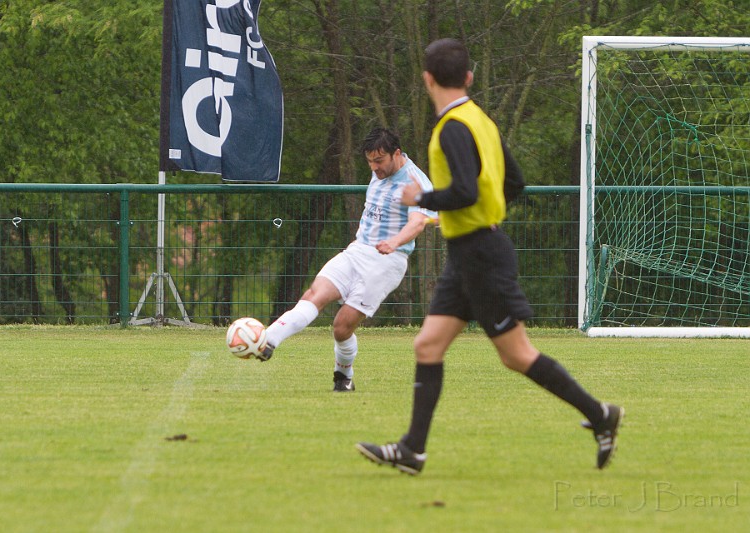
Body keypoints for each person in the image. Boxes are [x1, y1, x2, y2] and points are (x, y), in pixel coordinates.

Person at [356, 38, 623, 474]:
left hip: (480, 254)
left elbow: (463, 190)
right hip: (470, 251)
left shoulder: (453, 128)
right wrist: (487, 214)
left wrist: (421, 195)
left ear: (426, 79)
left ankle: (601, 415)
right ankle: (412, 450)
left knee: (516, 354)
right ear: (469, 78)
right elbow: (513, 182)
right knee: (427, 345)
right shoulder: (482, 121)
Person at [255, 128, 438, 393]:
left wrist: (395, 242)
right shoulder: (380, 171)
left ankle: (343, 376)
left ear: (396, 154)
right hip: (357, 251)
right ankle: (268, 339)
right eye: (370, 162)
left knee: (341, 327)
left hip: (388, 261)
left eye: (379, 161)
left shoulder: (415, 181)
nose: (374, 167)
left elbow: (418, 222)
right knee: (314, 294)